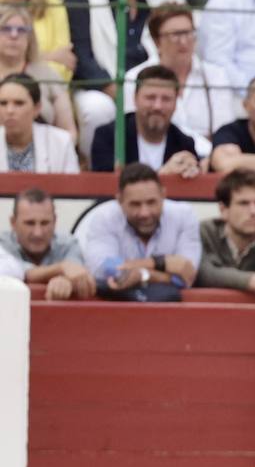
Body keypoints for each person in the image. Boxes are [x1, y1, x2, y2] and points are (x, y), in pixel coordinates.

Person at [64, 0, 183, 158]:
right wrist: (118, 92)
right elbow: (82, 58)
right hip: (103, 88)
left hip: (154, 87)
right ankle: (99, 170)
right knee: (96, 109)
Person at [78, 161, 200, 299]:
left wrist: (145, 270)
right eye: (135, 204)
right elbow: (102, 270)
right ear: (120, 200)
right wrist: (162, 265)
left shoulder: (184, 215)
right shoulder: (104, 217)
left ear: (163, 195)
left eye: (151, 202)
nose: (144, 213)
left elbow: (188, 275)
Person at [124, 5, 236, 148]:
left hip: (207, 160)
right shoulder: (134, 78)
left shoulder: (215, 75)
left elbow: (224, 131)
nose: (184, 42)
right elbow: (133, 132)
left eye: (189, 33)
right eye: (176, 35)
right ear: (157, 41)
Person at [90, 64, 202, 176]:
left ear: (175, 103)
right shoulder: (109, 136)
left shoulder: (184, 144)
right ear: (135, 98)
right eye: (150, 98)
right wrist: (164, 175)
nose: (158, 106)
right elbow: (104, 188)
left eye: (166, 99)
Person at [0, 187, 93, 298]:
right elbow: (19, 272)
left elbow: (76, 272)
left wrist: (65, 280)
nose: (38, 233)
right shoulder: (3, 244)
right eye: (30, 223)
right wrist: (61, 268)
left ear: (55, 221)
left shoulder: (68, 244)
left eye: (44, 223)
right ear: (13, 222)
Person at [0, 4, 75, 138]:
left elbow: (69, 132)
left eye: (21, 30)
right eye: (6, 29)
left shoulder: (47, 73)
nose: (14, 35)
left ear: (30, 37)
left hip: (45, 153)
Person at [0, 71, 74, 170]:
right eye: (3, 103)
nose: (9, 111)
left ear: (37, 108)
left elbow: (72, 185)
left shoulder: (61, 142)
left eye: (19, 103)